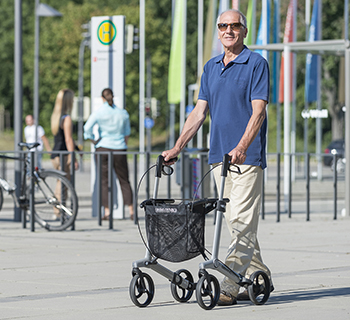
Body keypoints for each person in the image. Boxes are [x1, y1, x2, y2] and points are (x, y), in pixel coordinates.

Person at [162, 9, 273, 306]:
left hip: (246, 158)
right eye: (223, 25)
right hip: (218, 158)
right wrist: (177, 147)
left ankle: (230, 284)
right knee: (237, 223)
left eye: (235, 25)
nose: (228, 30)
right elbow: (199, 113)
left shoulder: (256, 64)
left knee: (240, 219)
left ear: (244, 31)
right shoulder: (211, 67)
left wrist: (242, 146)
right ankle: (260, 272)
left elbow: (258, 111)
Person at [83, 88, 134, 221]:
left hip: (103, 148)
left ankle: (107, 211)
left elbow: (86, 128)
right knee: (124, 179)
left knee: (104, 180)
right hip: (119, 148)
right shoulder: (123, 113)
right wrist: (123, 144)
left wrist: (93, 139)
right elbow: (127, 132)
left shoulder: (99, 112)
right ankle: (131, 209)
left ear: (102, 98)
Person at [50, 89, 79, 177]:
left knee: (61, 183)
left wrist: (77, 148)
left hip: (55, 154)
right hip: (63, 155)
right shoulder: (67, 119)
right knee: (63, 185)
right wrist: (73, 157)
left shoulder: (56, 117)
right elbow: (68, 139)